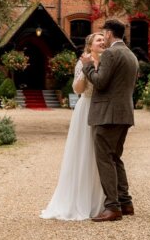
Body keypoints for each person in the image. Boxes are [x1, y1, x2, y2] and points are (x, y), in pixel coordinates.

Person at [40, 32, 106, 220]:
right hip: (86, 108)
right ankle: (79, 199)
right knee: (83, 151)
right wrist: (86, 68)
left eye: (103, 39)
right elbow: (77, 90)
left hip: (102, 108)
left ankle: (99, 200)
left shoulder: (108, 60)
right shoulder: (82, 62)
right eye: (98, 40)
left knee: (98, 153)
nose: (102, 42)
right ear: (90, 45)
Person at [81, 18, 139, 222]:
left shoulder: (112, 53)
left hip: (107, 115)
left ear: (108, 33)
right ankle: (126, 202)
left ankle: (112, 207)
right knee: (116, 157)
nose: (103, 37)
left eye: (104, 33)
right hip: (124, 114)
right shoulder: (130, 54)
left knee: (105, 158)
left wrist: (87, 67)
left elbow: (100, 82)